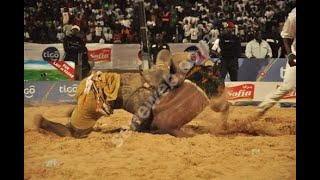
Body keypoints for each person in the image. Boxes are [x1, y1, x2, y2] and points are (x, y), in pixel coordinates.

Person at [256, 7, 296, 116]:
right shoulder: (294, 15)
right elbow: (286, 36)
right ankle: (261, 109)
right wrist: (290, 54)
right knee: (288, 86)